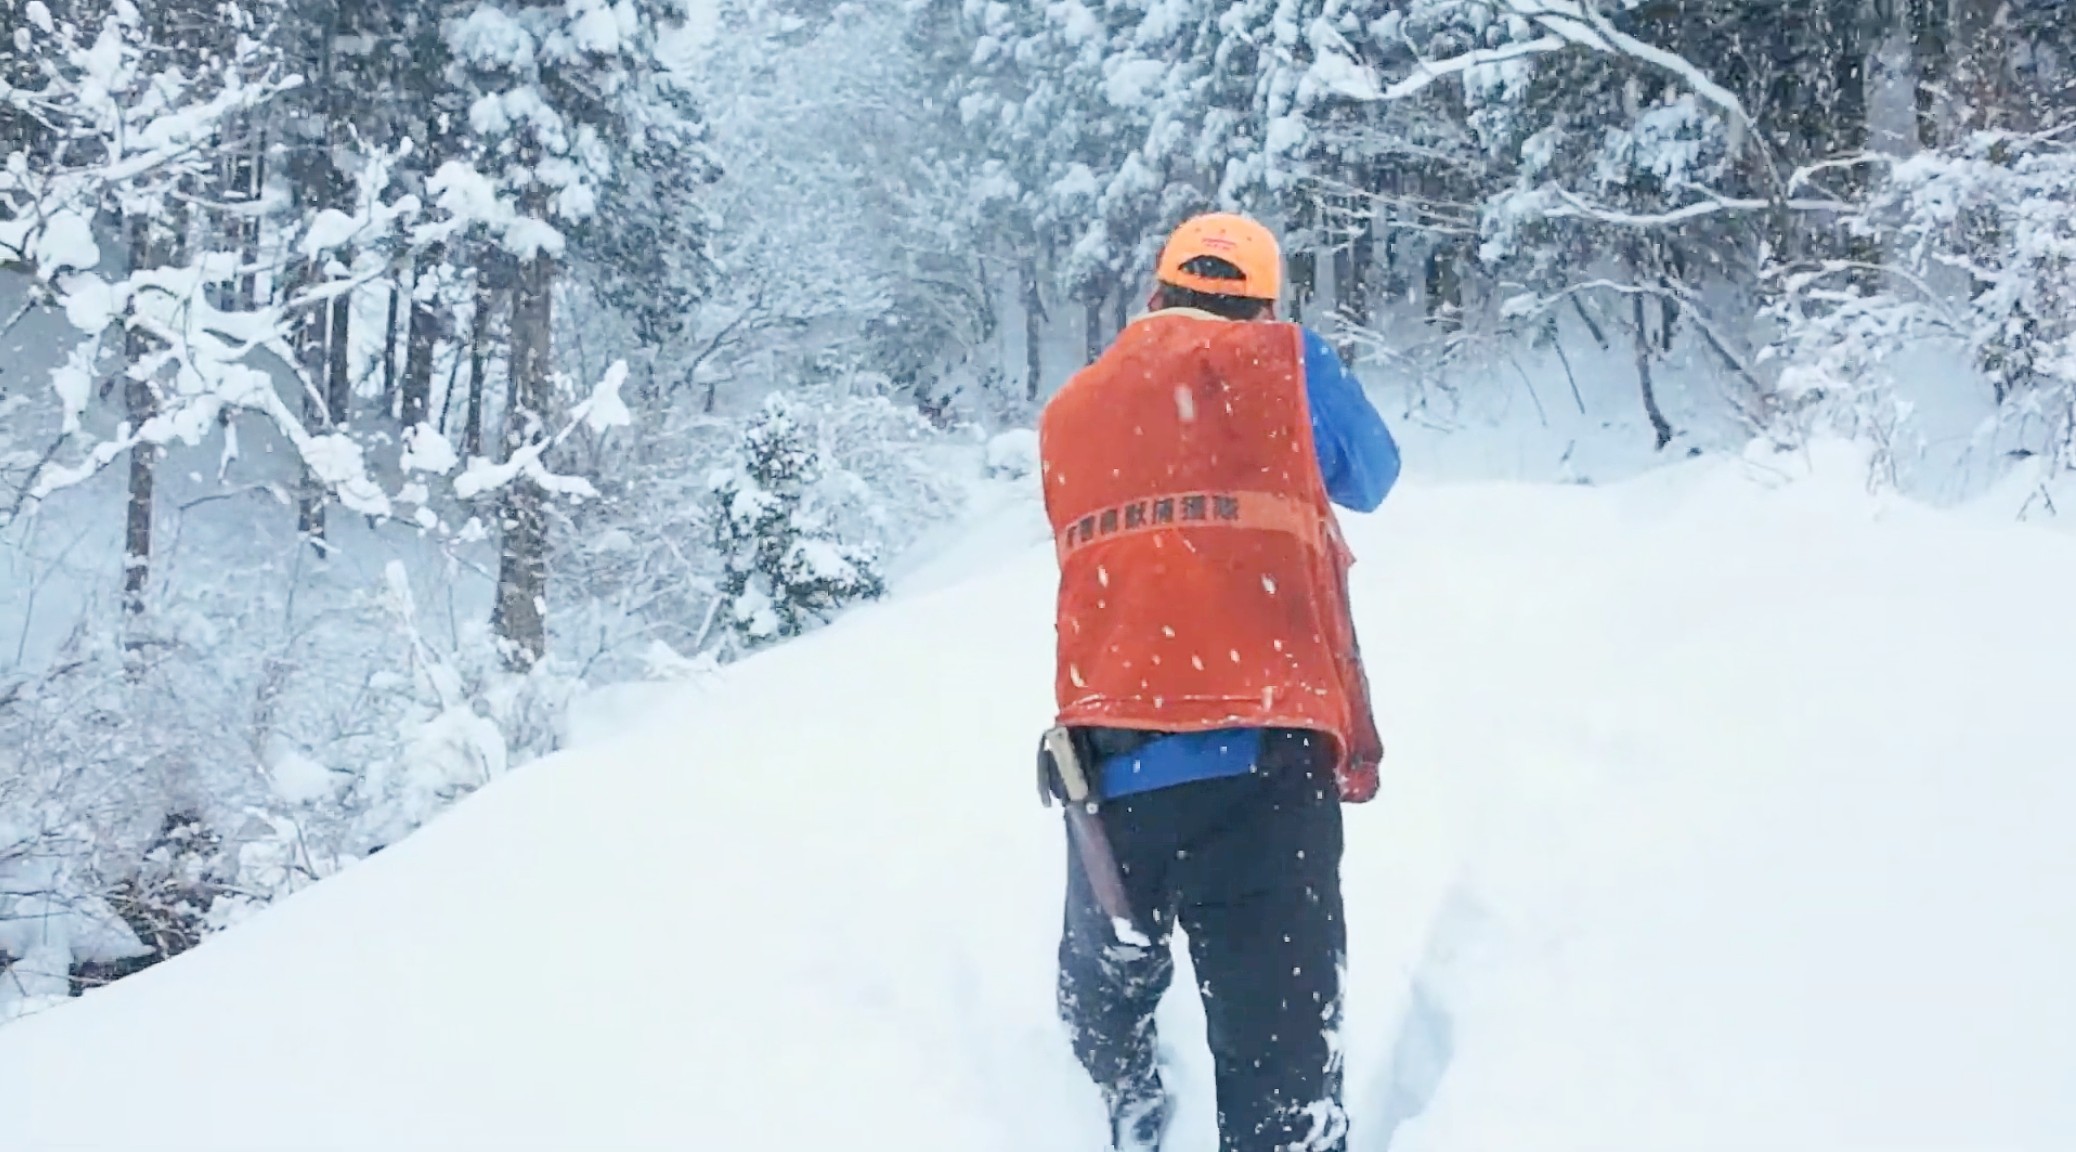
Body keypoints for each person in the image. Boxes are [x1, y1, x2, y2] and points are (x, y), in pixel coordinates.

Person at [1035, 212, 1401, 1152]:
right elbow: (1373, 474)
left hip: (1107, 775)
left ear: (1154, 296)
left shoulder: (1071, 409)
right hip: (1265, 765)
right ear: (1265, 305)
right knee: (1282, 1069)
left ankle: (1124, 1104)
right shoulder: (1283, 364)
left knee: (1102, 990)